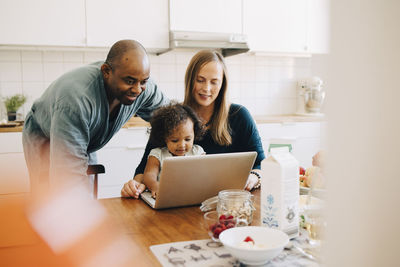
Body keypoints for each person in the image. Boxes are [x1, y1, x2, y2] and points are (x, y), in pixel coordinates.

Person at [22, 39, 169, 196]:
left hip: (84, 136)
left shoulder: (143, 87)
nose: (137, 89)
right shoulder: (76, 100)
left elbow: (171, 120)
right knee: (53, 196)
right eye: (129, 81)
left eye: (143, 82)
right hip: (45, 136)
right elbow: (69, 176)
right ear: (106, 71)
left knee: (87, 193)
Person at [121, 50, 265, 198]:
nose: (206, 88)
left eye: (214, 82)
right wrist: (134, 186)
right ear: (190, 80)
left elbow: (262, 164)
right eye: (200, 80)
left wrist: (253, 177)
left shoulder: (240, 116)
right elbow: (143, 169)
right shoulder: (172, 117)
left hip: (227, 203)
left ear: (222, 84)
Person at [128, 103, 205, 199]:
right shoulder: (157, 154)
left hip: (191, 196)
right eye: (174, 140)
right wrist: (155, 186)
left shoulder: (198, 152)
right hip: (164, 196)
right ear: (164, 137)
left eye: (188, 139)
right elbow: (148, 175)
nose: (182, 145)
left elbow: (205, 173)